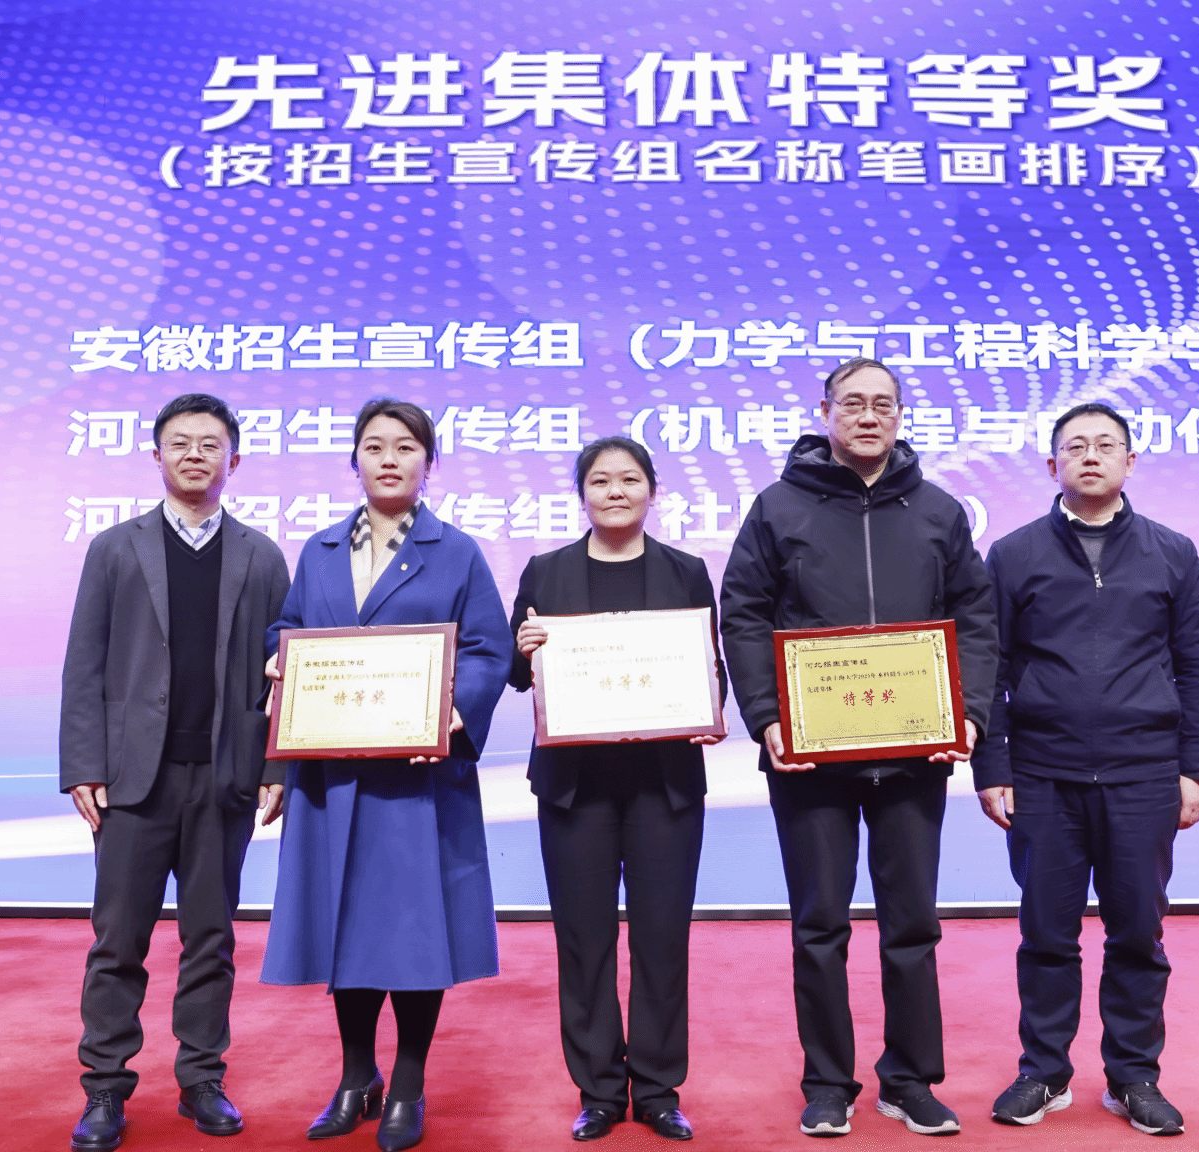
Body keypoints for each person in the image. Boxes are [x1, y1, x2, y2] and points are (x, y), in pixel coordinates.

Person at [719, 358, 999, 1138]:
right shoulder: (778, 507)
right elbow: (742, 612)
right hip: (811, 756)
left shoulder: (937, 510)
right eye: (853, 404)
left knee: (913, 924)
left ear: (901, 416)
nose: (868, 416)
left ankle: (909, 1079)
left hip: (913, 755)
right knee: (819, 924)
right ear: (825, 413)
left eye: (883, 404)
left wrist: (969, 713)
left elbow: (976, 616)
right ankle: (827, 1082)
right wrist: (767, 716)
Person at [259, 396, 512, 1152]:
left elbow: (489, 649)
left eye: (406, 446)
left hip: (418, 778)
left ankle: (406, 1082)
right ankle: (354, 1076)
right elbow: (290, 628)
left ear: (428, 462)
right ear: (355, 461)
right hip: (335, 777)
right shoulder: (320, 550)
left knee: (414, 931)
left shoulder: (456, 551)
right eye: (374, 446)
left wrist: (456, 712)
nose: (390, 459)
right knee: (345, 927)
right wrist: (280, 659)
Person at [975, 401, 1199, 1137]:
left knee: (1138, 933)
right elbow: (988, 670)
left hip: (1143, 772)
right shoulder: (1013, 554)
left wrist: (1196, 767)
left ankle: (1134, 1076)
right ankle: (1043, 1073)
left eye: (1106, 445)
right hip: (1043, 773)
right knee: (1046, 934)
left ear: (1130, 462)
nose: (1091, 456)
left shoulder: (1172, 552)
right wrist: (993, 765)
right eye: (1075, 446)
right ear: (1052, 465)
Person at [60, 392, 292, 1152]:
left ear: (235, 460)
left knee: (211, 939)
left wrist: (276, 764)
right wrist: (83, 764)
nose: (196, 454)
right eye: (181, 442)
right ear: (156, 455)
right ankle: (105, 1088)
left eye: (210, 444)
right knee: (117, 940)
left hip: (223, 777)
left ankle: (201, 1079)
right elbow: (85, 663)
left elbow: (284, 673)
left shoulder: (261, 555)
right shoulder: (115, 548)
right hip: (134, 781)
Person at [508, 437, 726, 1144]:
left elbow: (711, 667)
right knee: (585, 941)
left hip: (665, 786)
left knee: (663, 938)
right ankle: (599, 1089)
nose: (615, 492)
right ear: (583, 495)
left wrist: (708, 707)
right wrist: (525, 650)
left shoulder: (686, 571)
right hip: (576, 789)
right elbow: (516, 673)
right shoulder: (546, 570)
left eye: (629, 480)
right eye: (600, 481)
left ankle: (659, 1089)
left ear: (652, 491)